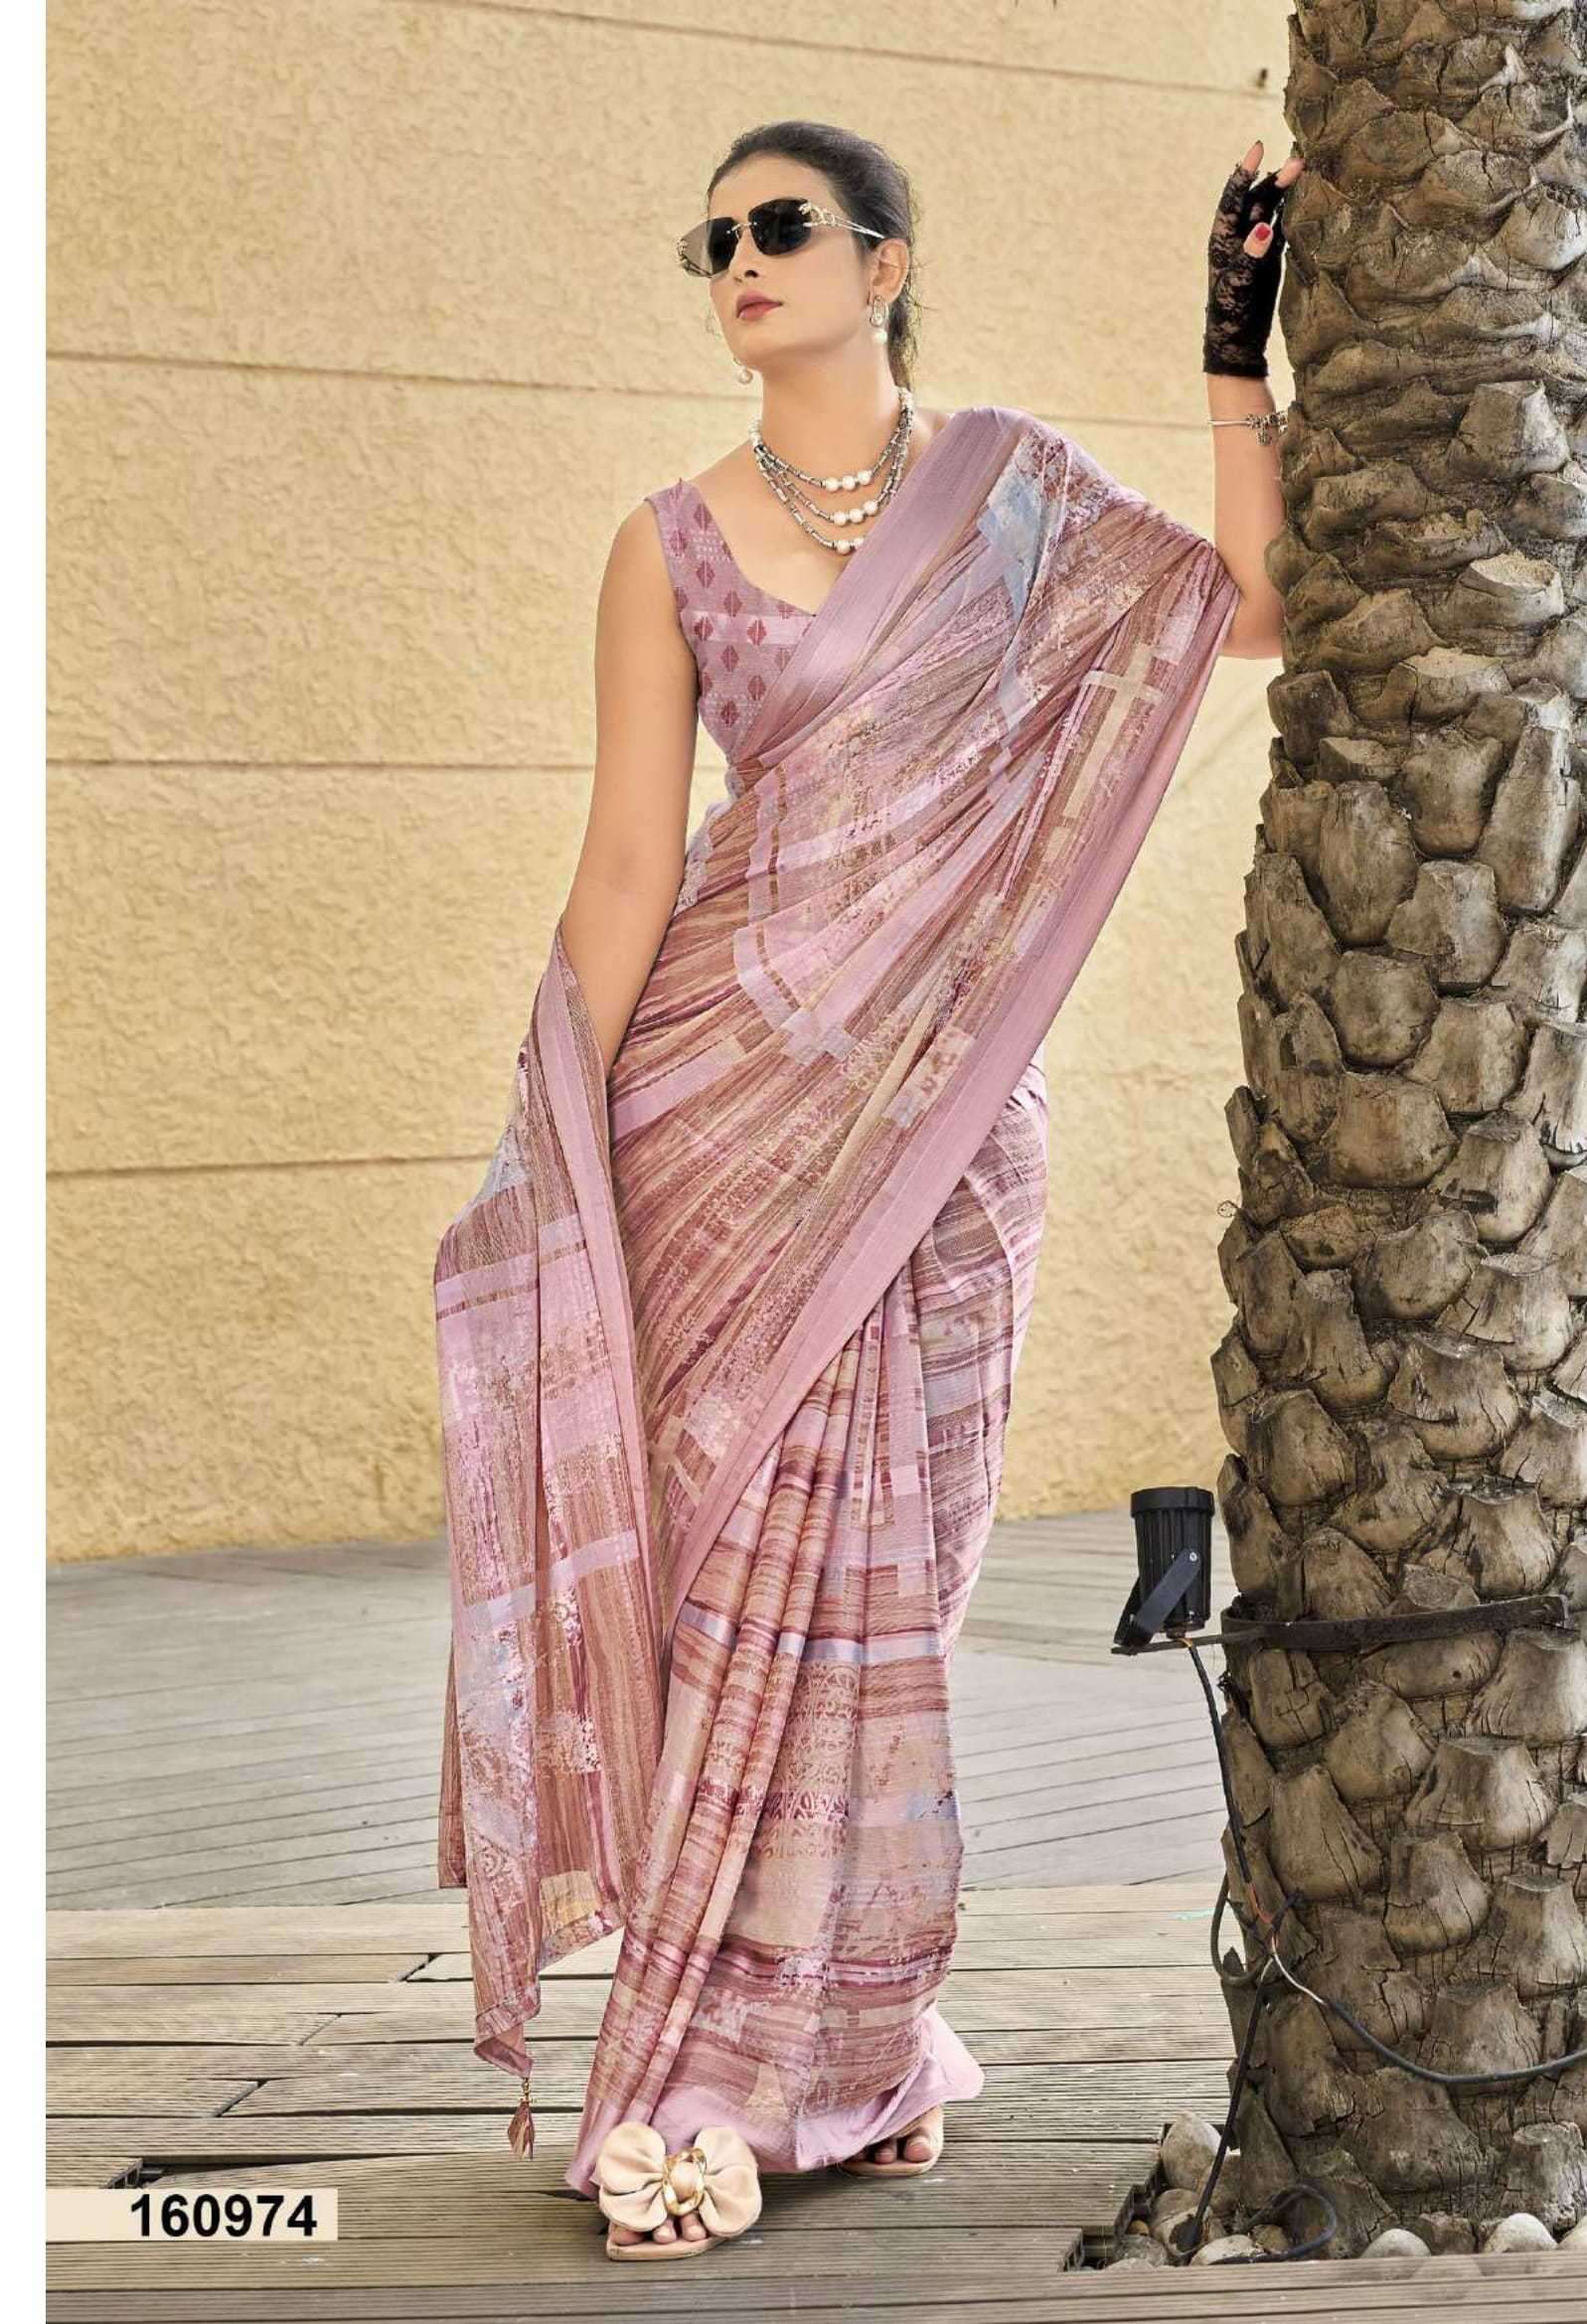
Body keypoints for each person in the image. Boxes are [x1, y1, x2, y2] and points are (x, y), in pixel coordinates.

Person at [432, 118, 1301, 2257]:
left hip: (944, 1133)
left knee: (884, 1595)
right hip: (714, 1117)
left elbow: (1249, 614)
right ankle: (709, 2073)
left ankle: (861, 2037)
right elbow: (629, 863)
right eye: (712, 237)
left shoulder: (1010, 494)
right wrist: (552, 1136)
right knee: (731, 1589)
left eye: (779, 227)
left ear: (882, 262)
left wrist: (1229, 350)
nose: (738, 258)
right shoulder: (663, 543)